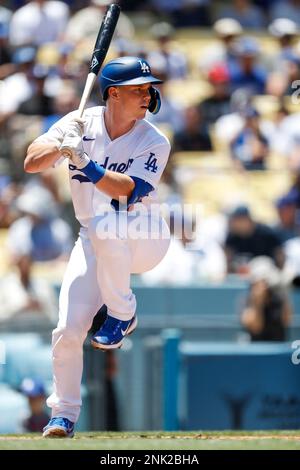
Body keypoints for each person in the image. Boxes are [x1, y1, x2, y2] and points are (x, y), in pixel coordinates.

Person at [24, 56, 171, 438]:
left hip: (145, 233)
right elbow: (30, 162)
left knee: (107, 220)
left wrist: (85, 161)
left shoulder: (154, 139)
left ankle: (123, 312)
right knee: (68, 329)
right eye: (138, 89)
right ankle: (64, 414)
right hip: (94, 236)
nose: (147, 95)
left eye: (147, 88)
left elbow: (127, 192)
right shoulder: (79, 122)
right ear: (113, 94)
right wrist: (60, 145)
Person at [241, 256, 293, 342]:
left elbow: (286, 321)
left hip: (279, 348)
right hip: (255, 350)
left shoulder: (278, 298)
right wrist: (257, 303)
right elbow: (256, 328)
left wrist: (285, 294)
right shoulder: (246, 299)